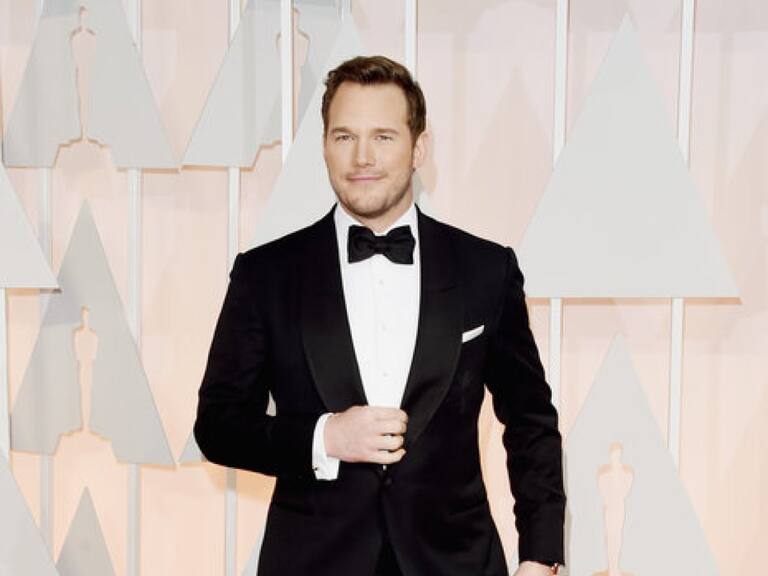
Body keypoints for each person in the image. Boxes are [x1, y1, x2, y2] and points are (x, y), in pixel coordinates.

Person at [194, 55, 565, 576]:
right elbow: (218, 425)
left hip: (456, 563)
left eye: (383, 137)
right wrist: (326, 438)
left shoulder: (486, 269)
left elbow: (530, 420)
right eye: (344, 136)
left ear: (419, 148)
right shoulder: (266, 274)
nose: (361, 157)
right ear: (324, 146)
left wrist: (541, 557)